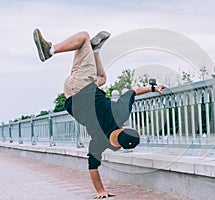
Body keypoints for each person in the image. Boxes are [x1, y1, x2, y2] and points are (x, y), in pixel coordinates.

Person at [33, 28, 167, 199]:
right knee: (103, 79)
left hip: (82, 87)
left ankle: (49, 50)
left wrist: (154, 88)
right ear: (119, 146)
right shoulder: (100, 143)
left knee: (83, 36)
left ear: (125, 128)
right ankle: (95, 50)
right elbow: (93, 167)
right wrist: (100, 191)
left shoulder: (120, 114)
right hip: (73, 94)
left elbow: (132, 92)